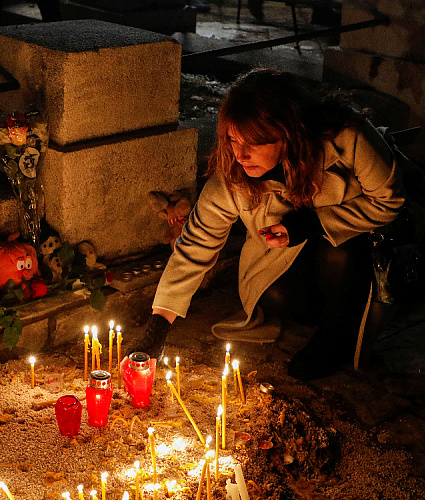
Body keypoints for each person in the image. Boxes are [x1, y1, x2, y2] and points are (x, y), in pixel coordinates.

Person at [132, 67, 405, 381]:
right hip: (291, 251)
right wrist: (156, 332)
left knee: (338, 253)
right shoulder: (232, 176)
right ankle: (324, 308)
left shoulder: (348, 138)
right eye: (234, 140)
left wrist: (311, 223)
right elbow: (193, 248)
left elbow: (390, 202)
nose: (242, 155)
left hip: (359, 237)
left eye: (256, 143)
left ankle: (338, 334)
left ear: (289, 133)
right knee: (274, 297)